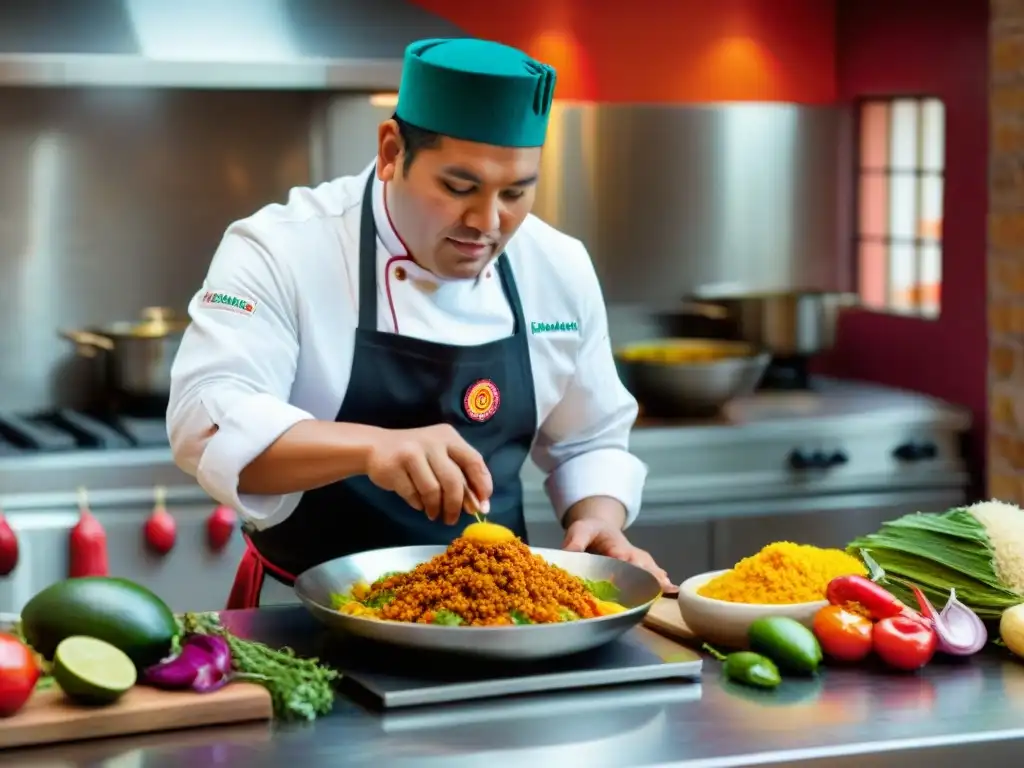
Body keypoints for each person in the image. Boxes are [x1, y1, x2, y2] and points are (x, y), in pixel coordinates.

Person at [167, 36, 675, 609]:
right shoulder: (282, 248)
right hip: (306, 619)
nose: (487, 222)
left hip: (501, 618)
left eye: (514, 193)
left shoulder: (555, 264)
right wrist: (373, 449)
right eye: (459, 188)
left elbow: (590, 438)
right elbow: (204, 423)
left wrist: (598, 519)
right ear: (390, 151)